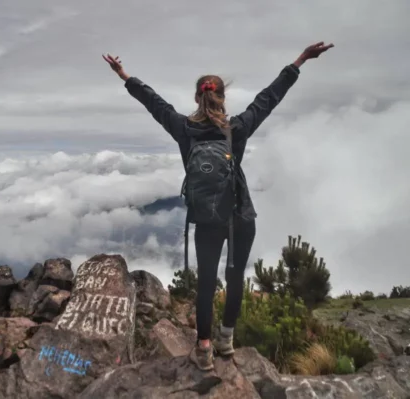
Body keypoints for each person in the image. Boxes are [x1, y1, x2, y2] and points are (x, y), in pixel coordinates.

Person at [103, 41, 334, 371]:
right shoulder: (236, 128)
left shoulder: (183, 128)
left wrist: (123, 74)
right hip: (240, 214)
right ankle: (226, 340)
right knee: (236, 276)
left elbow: (152, 102)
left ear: (197, 96)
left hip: (206, 218)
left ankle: (205, 348)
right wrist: (300, 60)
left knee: (206, 282)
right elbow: (269, 97)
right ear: (221, 97)